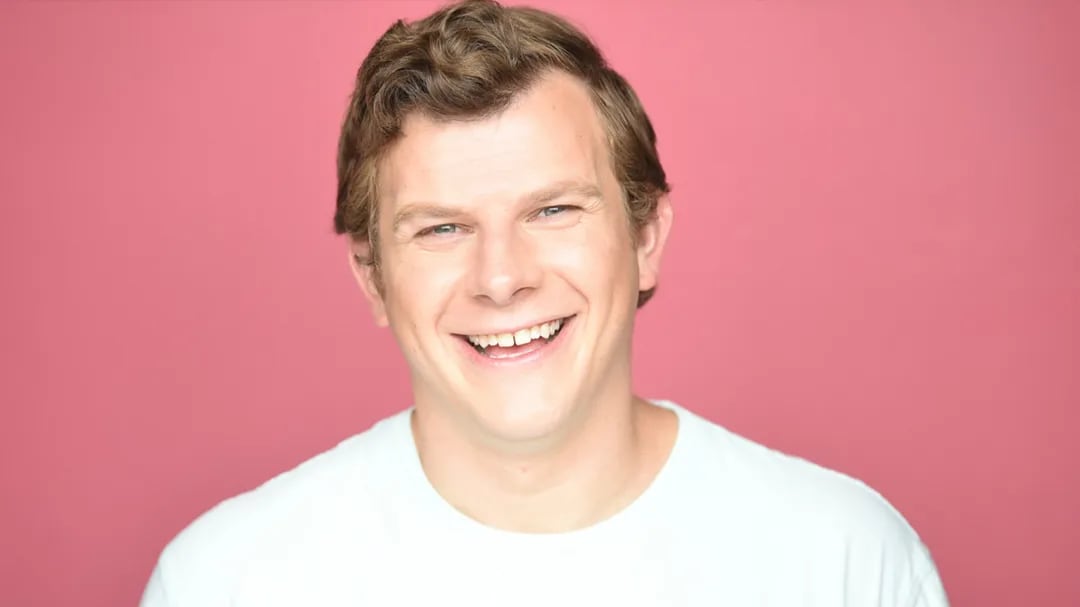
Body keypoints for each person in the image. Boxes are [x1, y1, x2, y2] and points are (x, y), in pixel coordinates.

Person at [141, 1, 949, 605]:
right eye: (442, 227)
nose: (501, 278)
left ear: (645, 237)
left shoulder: (847, 563)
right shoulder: (225, 581)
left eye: (553, 210)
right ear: (372, 277)